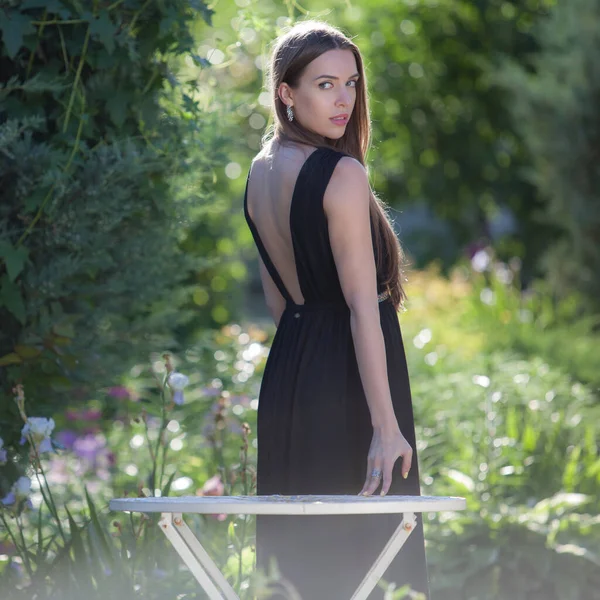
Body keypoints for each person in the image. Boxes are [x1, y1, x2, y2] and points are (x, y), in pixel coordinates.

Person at [243, 19, 430, 600]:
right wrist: (384, 426)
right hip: (353, 382)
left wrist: (309, 370)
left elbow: (280, 299)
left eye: (351, 83)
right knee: (370, 566)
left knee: (299, 569)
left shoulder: (260, 170)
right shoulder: (342, 174)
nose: (345, 99)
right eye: (325, 84)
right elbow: (362, 309)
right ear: (286, 93)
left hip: (291, 373)